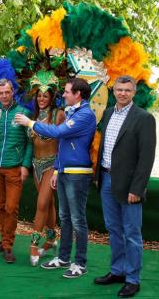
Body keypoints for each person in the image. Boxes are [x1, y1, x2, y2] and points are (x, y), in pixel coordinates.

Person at [15, 77, 96, 278]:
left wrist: (30, 123)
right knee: (65, 218)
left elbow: (59, 133)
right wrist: (58, 169)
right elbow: (64, 146)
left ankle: (80, 263)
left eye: (67, 91)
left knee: (78, 220)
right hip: (64, 170)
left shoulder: (85, 114)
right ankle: (63, 258)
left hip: (78, 173)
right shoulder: (72, 111)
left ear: (78, 94)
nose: (64, 94)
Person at [93, 76, 156, 298]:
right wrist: (98, 175)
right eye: (119, 89)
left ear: (134, 92)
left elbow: (146, 158)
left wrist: (137, 189)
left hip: (129, 186)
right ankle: (118, 271)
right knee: (113, 230)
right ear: (113, 91)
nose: (122, 93)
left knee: (132, 233)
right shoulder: (108, 113)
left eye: (127, 90)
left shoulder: (144, 118)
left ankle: (133, 279)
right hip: (106, 180)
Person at [0, 78, 33, 264]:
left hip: (14, 168)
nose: (4, 96)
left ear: (13, 92)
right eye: (0, 93)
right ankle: (4, 241)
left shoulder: (23, 113)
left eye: (7, 92)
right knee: (1, 206)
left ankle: (8, 245)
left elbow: (29, 143)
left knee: (11, 208)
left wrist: (26, 166)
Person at [28, 87, 65, 266]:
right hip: (36, 164)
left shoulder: (59, 115)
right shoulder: (32, 116)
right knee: (48, 204)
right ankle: (51, 240)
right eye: (39, 96)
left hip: (52, 164)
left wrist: (59, 168)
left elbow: (64, 141)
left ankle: (33, 244)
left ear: (52, 97)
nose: (41, 99)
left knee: (42, 203)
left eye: (45, 96)